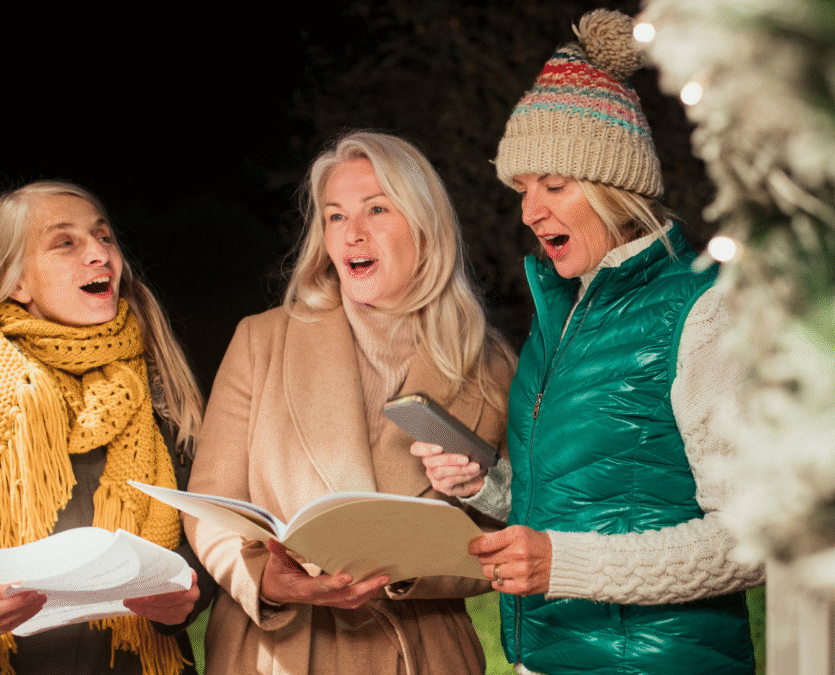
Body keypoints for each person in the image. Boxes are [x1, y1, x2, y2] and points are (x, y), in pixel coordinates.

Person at [411, 10, 765, 675]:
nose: (529, 210)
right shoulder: (562, 319)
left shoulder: (703, 308)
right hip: (549, 660)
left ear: (615, 188)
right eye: (522, 188)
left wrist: (560, 563)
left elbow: (751, 539)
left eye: (554, 184)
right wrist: (485, 485)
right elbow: (578, 500)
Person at [185, 131, 516, 675]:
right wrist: (266, 581)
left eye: (376, 209)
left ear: (426, 230)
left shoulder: (491, 367)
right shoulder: (260, 341)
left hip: (421, 652)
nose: (352, 233)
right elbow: (212, 504)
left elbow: (507, 535)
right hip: (278, 650)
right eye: (335, 216)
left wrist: (409, 566)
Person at [0, 181, 214, 675]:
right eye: (65, 242)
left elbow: (211, 531)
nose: (99, 253)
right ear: (18, 283)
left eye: (104, 238)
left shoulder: (162, 382)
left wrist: (189, 593)